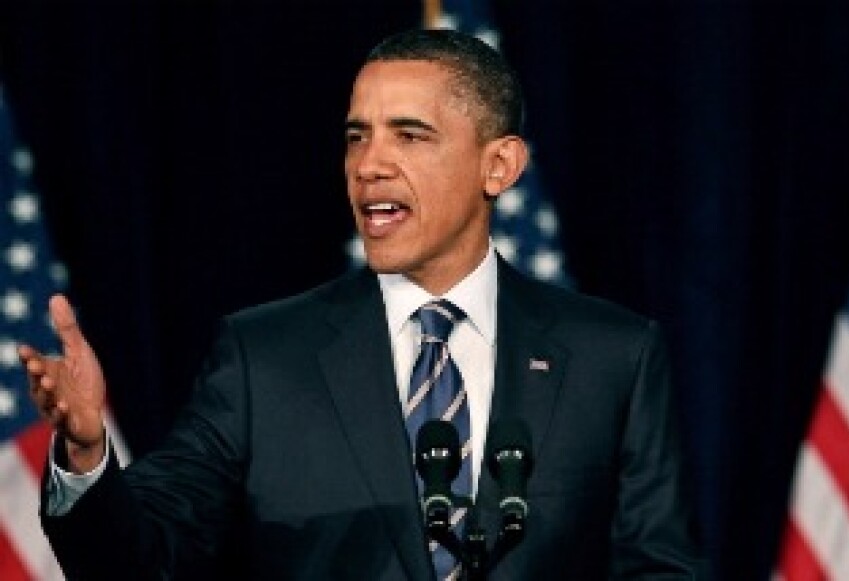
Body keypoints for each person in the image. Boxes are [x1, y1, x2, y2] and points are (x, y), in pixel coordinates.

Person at [19, 28, 702, 580]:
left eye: (409, 134)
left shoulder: (613, 356)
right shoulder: (264, 359)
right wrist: (86, 452)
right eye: (357, 136)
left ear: (499, 166)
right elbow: (138, 560)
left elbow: (659, 568)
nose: (369, 164)